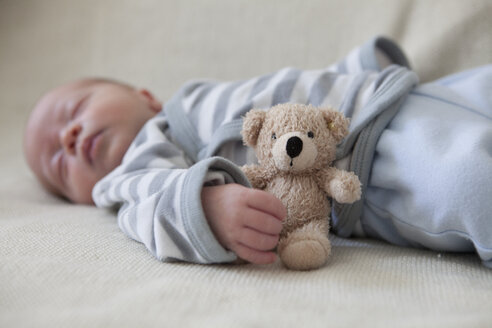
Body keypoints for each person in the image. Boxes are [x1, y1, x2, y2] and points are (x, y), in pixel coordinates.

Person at [24, 37, 492, 267]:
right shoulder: (139, 165)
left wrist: (360, 65)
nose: (68, 138)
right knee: (470, 184)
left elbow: (290, 89)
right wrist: (205, 206)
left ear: (145, 96)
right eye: (56, 166)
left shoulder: (191, 101)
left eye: (75, 109)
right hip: (371, 167)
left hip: (394, 96)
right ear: (86, 196)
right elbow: (151, 205)